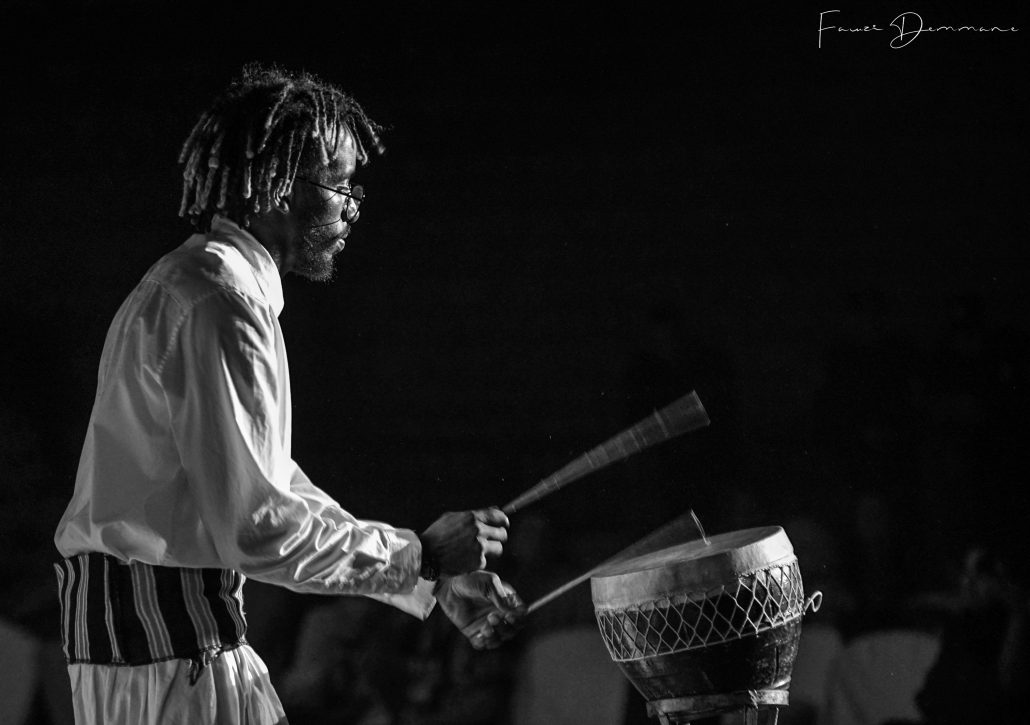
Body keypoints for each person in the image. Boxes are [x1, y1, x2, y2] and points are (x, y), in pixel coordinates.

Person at [52, 63, 525, 724]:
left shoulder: (197, 284)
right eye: (339, 184)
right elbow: (257, 527)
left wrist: (426, 577)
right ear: (277, 186)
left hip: (159, 653)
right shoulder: (218, 303)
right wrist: (417, 553)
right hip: (173, 659)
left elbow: (271, 482)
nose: (352, 205)